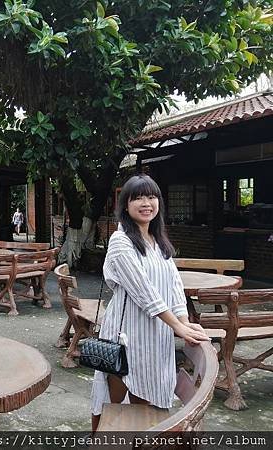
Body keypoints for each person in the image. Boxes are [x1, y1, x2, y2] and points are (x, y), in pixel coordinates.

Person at [90, 174, 210, 432]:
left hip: (156, 337)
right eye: (138, 197)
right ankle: (107, 443)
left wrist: (185, 323)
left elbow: (174, 286)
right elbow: (145, 292)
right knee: (118, 402)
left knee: (150, 400)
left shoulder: (159, 242)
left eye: (152, 196)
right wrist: (178, 327)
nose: (147, 203)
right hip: (127, 336)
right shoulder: (121, 241)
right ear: (125, 205)